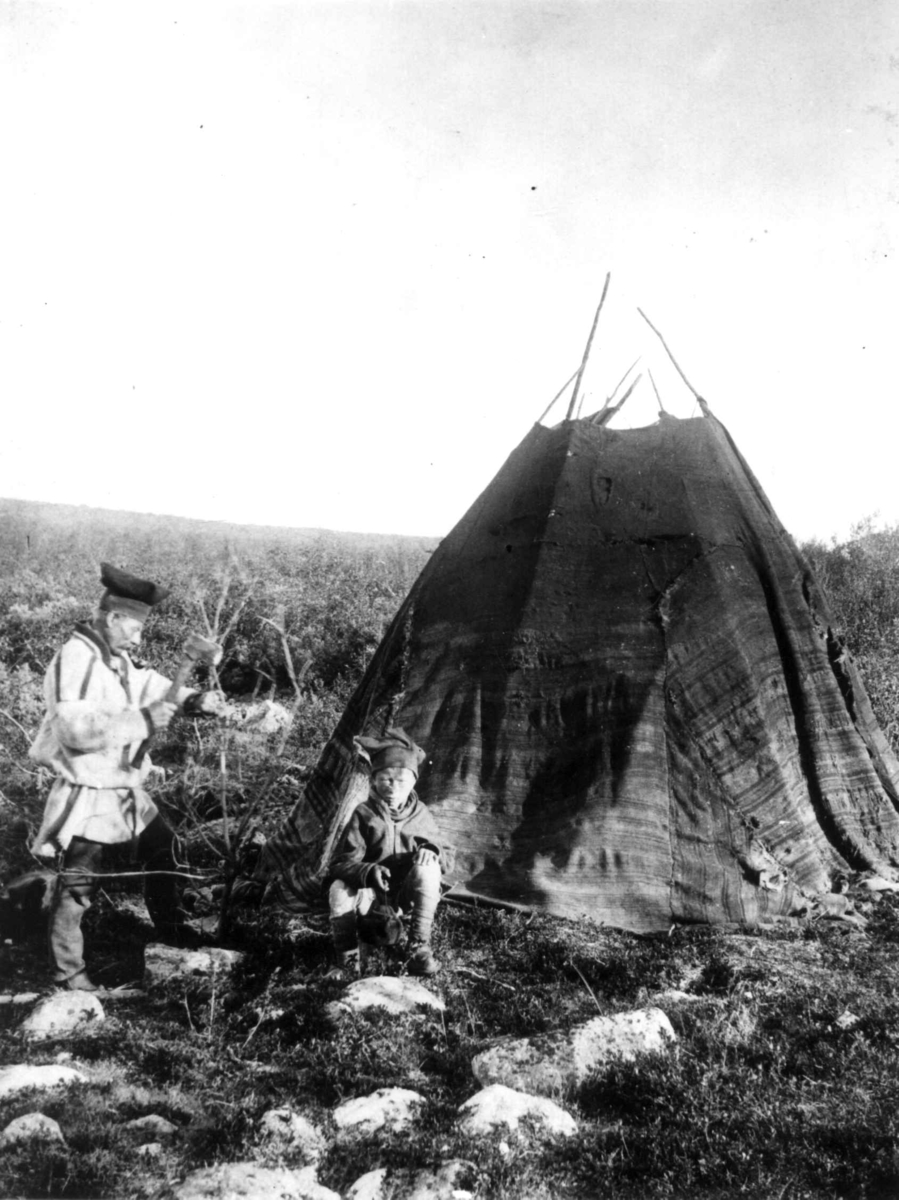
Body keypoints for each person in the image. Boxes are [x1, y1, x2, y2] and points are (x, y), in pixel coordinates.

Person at [28, 562, 224, 991]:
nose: (138, 638)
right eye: (134, 628)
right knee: (78, 882)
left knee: (165, 847)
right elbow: (73, 729)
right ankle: (69, 974)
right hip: (90, 790)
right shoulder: (75, 659)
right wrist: (142, 720)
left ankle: (172, 931)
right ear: (113, 617)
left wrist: (195, 701)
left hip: (123, 787)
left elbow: (149, 685)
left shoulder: (113, 659)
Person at [328, 728, 445, 979]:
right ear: (374, 780)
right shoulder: (364, 813)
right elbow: (341, 863)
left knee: (430, 867)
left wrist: (430, 850)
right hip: (370, 896)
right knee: (338, 888)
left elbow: (447, 854)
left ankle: (418, 949)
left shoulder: (420, 813)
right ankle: (347, 962)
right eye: (386, 779)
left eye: (401, 781)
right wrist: (368, 871)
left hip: (404, 897)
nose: (393, 788)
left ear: (413, 782)